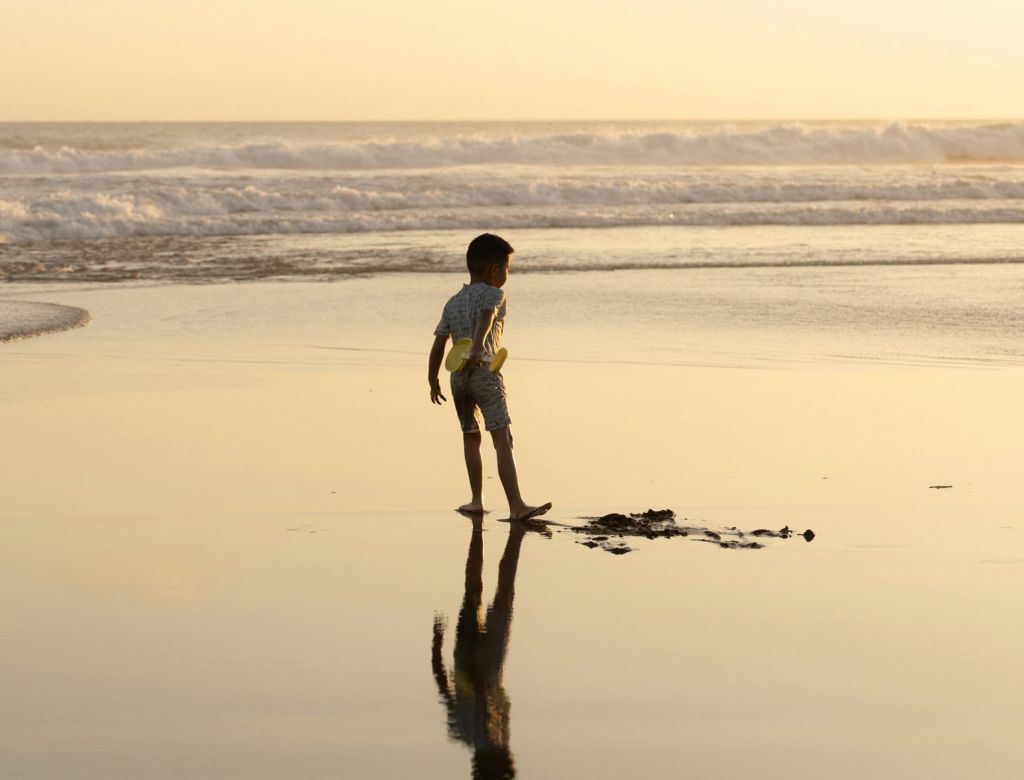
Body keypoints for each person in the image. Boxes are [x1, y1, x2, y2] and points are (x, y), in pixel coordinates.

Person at [428, 233, 551, 521]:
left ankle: (476, 500)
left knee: (470, 436)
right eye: (507, 267)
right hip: (484, 372)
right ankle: (517, 505)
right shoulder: (496, 294)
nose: (508, 273)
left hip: (457, 378)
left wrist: (432, 379)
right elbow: (486, 315)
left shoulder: (452, 302)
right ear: (494, 269)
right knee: (502, 438)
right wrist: (478, 344)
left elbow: (438, 343)